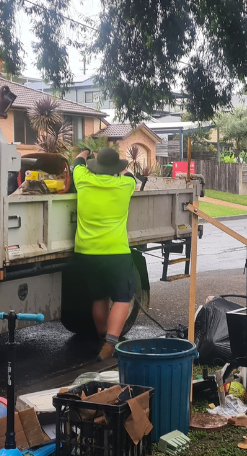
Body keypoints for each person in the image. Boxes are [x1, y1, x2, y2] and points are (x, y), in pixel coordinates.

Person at [72, 147, 138, 360]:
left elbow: (78, 163)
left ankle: (102, 339)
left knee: (98, 297)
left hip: (86, 253)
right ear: (115, 169)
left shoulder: (82, 180)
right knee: (121, 298)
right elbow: (128, 174)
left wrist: (84, 152)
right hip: (116, 252)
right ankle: (110, 345)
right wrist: (121, 169)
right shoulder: (125, 185)